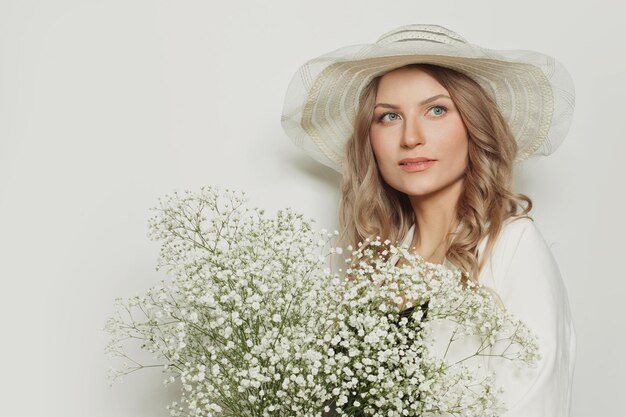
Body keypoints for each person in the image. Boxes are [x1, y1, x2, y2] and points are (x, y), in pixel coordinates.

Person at [280, 24, 576, 417]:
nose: (410, 137)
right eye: (388, 117)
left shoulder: (513, 245)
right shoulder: (378, 268)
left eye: (436, 110)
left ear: (474, 126)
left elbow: (535, 402)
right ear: (370, 139)